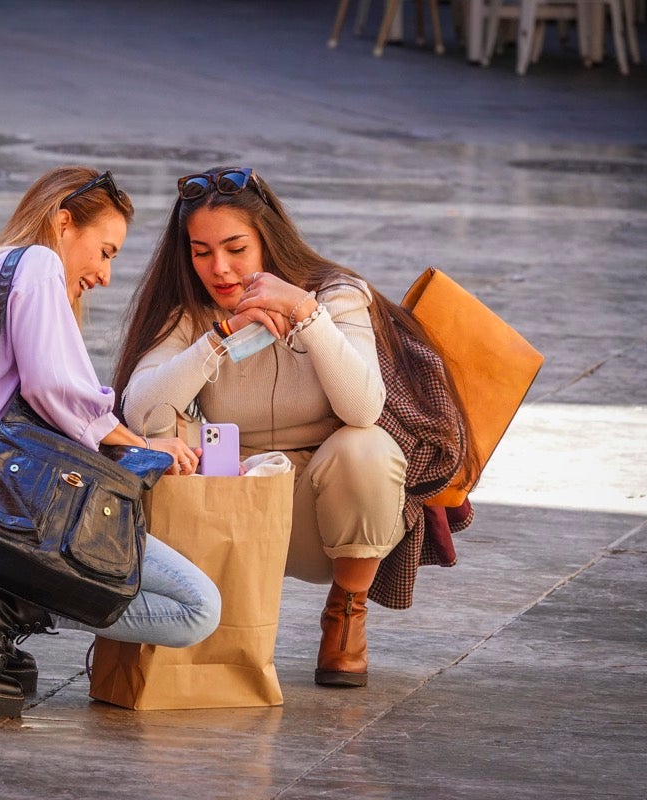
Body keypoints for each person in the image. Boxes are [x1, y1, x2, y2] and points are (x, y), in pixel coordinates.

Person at [112, 167, 475, 689]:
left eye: (236, 248)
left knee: (364, 446)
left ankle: (346, 615)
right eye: (201, 251)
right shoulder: (191, 314)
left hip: (329, 510)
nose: (219, 268)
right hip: (231, 504)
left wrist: (307, 314)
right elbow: (141, 413)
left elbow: (363, 407)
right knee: (169, 434)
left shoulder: (338, 296)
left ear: (268, 239)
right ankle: (211, 627)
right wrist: (220, 338)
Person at [0, 166, 221, 717]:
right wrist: (139, 445)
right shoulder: (38, 263)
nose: (107, 275)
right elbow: (55, 387)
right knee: (198, 608)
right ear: (64, 223)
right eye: (106, 251)